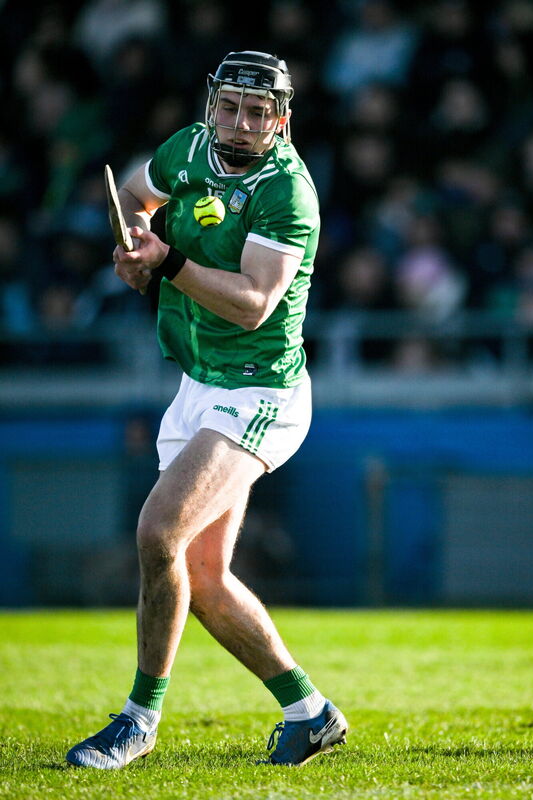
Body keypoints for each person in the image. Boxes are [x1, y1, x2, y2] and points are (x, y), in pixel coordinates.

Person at [65, 50, 347, 769]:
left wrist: (166, 264)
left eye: (260, 113)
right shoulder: (187, 148)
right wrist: (132, 246)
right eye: (230, 106)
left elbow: (254, 305)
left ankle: (137, 721)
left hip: (259, 389)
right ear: (210, 104)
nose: (242, 123)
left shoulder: (286, 190)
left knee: (157, 534)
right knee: (206, 577)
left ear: (281, 120)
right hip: (199, 382)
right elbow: (134, 196)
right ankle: (309, 711)